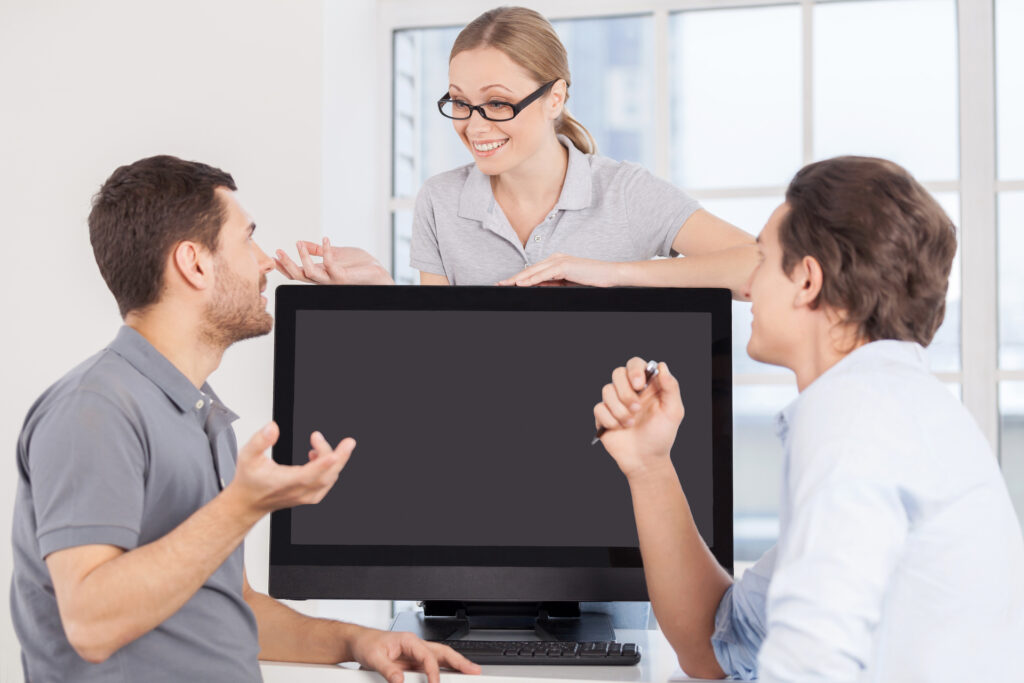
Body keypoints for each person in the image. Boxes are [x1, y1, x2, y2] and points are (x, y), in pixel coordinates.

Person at [10, 156, 481, 683]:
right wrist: (241, 507)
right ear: (194, 263)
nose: (265, 261)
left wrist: (360, 640)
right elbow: (90, 624)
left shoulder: (199, 413)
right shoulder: (95, 410)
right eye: (247, 239)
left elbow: (232, 612)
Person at [591, 156, 1024, 681]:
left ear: (807, 281)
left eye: (762, 259)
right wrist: (649, 464)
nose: (748, 283)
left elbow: (808, 667)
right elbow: (720, 645)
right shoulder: (897, 405)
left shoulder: (853, 416)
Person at [275, 6, 757, 293]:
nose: (473, 125)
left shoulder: (626, 192)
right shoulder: (441, 201)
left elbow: (761, 264)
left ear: (556, 97)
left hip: (613, 433)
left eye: (498, 103)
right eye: (460, 102)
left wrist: (609, 275)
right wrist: (383, 292)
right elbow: (441, 345)